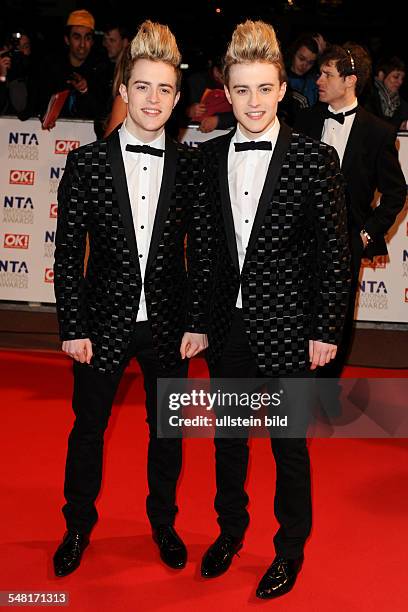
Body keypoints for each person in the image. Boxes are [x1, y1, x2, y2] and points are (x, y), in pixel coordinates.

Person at [52, 20, 213, 578]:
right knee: (88, 430)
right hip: (99, 324)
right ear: (123, 89)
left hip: (170, 325)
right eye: (142, 86)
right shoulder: (87, 163)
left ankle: (163, 523)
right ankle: (76, 526)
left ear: (176, 99)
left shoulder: (192, 167)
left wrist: (198, 321)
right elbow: (68, 253)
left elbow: (206, 255)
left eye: (164, 89)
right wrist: (72, 326)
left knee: (167, 433)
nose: (152, 99)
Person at [200, 20, 351, 599]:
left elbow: (334, 255)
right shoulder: (209, 158)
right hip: (227, 328)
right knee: (229, 441)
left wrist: (324, 329)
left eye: (264, 89)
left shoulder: (315, 160)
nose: (254, 101)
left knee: (288, 448)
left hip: (290, 329)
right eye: (242, 90)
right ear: (227, 90)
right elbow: (207, 253)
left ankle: (289, 550)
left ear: (283, 89)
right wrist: (197, 321)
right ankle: (229, 533)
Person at [295, 43, 406, 375]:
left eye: (327, 74)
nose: (318, 80)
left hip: (345, 244)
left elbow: (396, 194)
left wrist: (365, 236)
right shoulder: (304, 120)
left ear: (350, 80)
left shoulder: (378, 131)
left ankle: (326, 394)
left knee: (335, 324)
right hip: (297, 241)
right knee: (294, 316)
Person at [36, 9, 110, 132]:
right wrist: (45, 114)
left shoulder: (101, 69)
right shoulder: (51, 66)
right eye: (77, 37)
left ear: (92, 41)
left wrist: (85, 90)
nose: (82, 44)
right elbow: (37, 101)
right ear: (67, 40)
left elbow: (103, 113)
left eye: (87, 38)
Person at [365, 56, 408, 130]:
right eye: (396, 77)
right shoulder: (366, 98)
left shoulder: (403, 105)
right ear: (381, 75)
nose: (400, 82)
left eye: (402, 78)